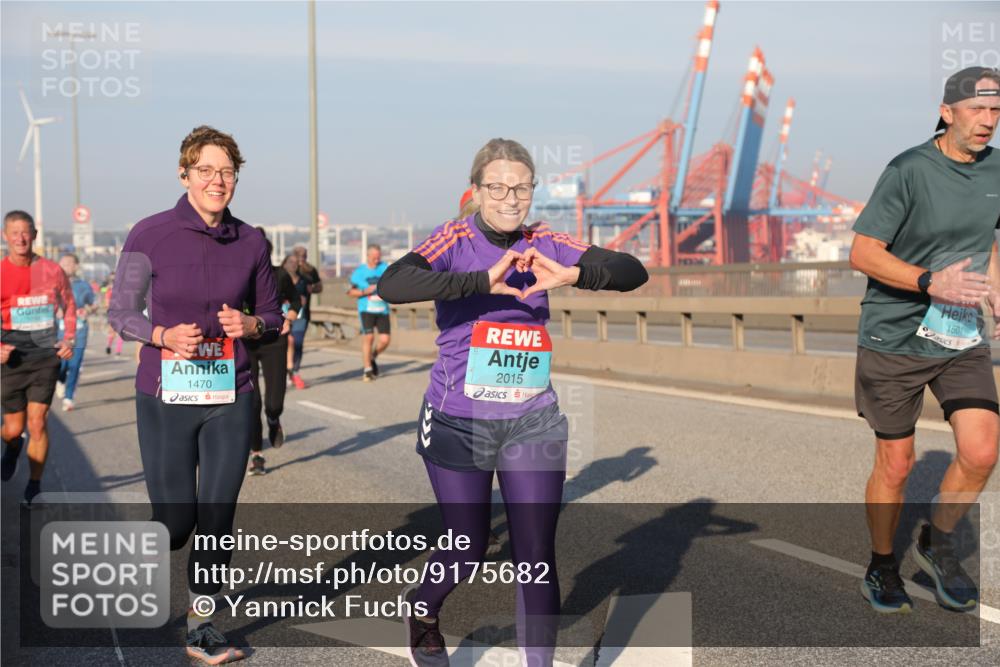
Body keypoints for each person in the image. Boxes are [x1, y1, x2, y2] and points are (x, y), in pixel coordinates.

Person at [378, 138, 647, 666]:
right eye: (497, 187)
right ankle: (423, 608)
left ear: (532, 191)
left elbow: (631, 270)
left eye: (521, 187)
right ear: (476, 191)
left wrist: (574, 274)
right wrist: (483, 281)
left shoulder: (544, 241)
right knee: (468, 546)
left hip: (532, 420)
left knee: (535, 556)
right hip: (458, 418)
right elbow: (393, 283)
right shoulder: (454, 239)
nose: (509, 197)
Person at [109, 125, 282, 664]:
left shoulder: (252, 240)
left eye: (227, 171)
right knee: (177, 523)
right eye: (206, 170)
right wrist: (161, 336)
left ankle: (201, 626)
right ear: (184, 174)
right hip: (165, 395)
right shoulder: (149, 233)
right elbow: (120, 311)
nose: (217, 180)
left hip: (231, 394)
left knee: (217, 516)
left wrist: (249, 324)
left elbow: (273, 318)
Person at [850, 67, 1000, 614]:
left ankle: (937, 543)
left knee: (983, 449)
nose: (988, 121)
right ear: (947, 111)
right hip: (894, 335)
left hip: (960, 335)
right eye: (978, 110)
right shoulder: (909, 169)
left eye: (996, 111)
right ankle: (882, 563)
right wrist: (929, 280)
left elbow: (991, 240)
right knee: (897, 463)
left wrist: (996, 291)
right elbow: (863, 253)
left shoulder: (997, 170)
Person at [1, 210, 76, 505]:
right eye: (14, 232)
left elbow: (69, 306)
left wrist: (69, 339)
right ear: (5, 236)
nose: (21, 238)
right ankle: (12, 446)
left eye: (26, 231)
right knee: (14, 428)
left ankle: (34, 484)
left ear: (34, 235)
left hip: (45, 354)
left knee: (37, 423)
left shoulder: (51, 270)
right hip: (11, 356)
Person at [246, 229, 301, 476]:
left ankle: (273, 419)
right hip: (245, 344)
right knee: (251, 403)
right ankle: (257, 454)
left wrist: (289, 317)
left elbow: (297, 301)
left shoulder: (280, 276)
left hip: (274, 341)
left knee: (273, 402)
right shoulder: (238, 276)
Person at [55, 253, 96, 411]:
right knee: (61, 364)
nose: (65, 266)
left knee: (75, 364)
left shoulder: (83, 285)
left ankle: (69, 397)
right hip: (60, 331)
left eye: (69, 263)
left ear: (76, 266)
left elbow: (93, 304)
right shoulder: (54, 283)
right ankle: (60, 380)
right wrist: (55, 310)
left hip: (79, 331)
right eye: (63, 263)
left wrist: (88, 310)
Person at [348, 243, 391, 381]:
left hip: (382, 309)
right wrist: (362, 292)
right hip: (366, 309)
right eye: (373, 257)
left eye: (378, 257)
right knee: (369, 337)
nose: (376, 260)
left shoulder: (385, 268)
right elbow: (349, 291)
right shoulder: (359, 273)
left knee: (385, 340)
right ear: (367, 256)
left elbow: (394, 284)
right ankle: (367, 369)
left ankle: (372, 356)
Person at [283, 253, 309, 389]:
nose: (293, 264)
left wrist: (301, 300)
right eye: (290, 261)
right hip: (282, 316)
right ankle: (287, 370)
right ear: (284, 263)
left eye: (295, 262)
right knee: (287, 341)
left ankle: (295, 371)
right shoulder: (279, 278)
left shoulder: (303, 280)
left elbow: (305, 297)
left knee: (297, 343)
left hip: (299, 316)